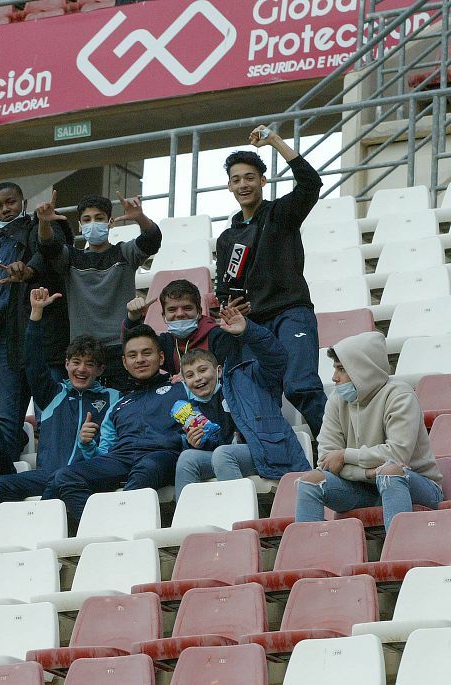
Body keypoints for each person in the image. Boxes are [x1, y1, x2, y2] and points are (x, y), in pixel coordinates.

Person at [216, 125, 327, 435]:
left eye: (250, 177)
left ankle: (333, 450)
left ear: (263, 181)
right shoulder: (228, 238)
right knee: (261, 400)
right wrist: (228, 307)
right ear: (229, 186)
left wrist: (276, 141)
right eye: (236, 179)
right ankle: (279, 463)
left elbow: (310, 184)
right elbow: (225, 288)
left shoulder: (280, 213)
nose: (243, 184)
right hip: (254, 327)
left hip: (291, 312)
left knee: (301, 386)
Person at [295, 332, 444, 530]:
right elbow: (327, 461)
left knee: (390, 472)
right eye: (335, 368)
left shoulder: (400, 395)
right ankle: (308, 558)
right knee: (311, 481)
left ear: (362, 369)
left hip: (416, 485)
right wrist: (368, 473)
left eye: (341, 369)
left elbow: (398, 454)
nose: (334, 377)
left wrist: (345, 455)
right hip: (364, 487)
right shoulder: (336, 400)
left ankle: (398, 553)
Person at [0, 288, 119, 505]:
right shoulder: (52, 394)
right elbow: (33, 361)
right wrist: (36, 314)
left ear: (100, 369)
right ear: (66, 364)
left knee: (64, 480)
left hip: (89, 473)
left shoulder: (112, 398)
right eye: (76, 362)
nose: (82, 369)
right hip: (49, 475)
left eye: (90, 364)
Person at [51, 323, 188, 523]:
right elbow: (104, 453)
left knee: (146, 467)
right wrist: (87, 445)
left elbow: (200, 426)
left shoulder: (181, 388)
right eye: (132, 356)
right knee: (64, 476)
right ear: (124, 362)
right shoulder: (120, 404)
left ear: (160, 357)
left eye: (146, 353)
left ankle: (121, 527)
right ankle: (100, 530)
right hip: (122, 459)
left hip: (163, 456)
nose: (139, 360)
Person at [173, 305, 310, 498]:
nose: (198, 378)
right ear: (185, 381)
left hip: (267, 450)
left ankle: (236, 516)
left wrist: (248, 331)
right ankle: (187, 523)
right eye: (190, 375)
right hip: (226, 457)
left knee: (223, 454)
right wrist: (193, 443)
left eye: (203, 370)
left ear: (218, 371)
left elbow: (277, 358)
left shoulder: (249, 378)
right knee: (187, 458)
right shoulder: (190, 409)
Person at [0, 181, 70, 460]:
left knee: (50, 414)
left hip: (42, 334)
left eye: (10, 202)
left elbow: (52, 250)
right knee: (4, 419)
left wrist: (29, 269)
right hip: (5, 341)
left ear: (24, 203)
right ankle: (3, 477)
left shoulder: (43, 227)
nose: (5, 209)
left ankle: (52, 472)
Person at [38, 191, 162, 390]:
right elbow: (48, 246)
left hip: (121, 347)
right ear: (80, 226)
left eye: (99, 218)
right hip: (83, 353)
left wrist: (139, 217)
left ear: (110, 222)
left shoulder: (125, 252)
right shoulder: (70, 258)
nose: (92, 223)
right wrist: (44, 223)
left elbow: (152, 239)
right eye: (86, 220)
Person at [124, 279, 239, 379]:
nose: (179, 314)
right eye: (172, 309)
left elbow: (232, 375)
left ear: (199, 313)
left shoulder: (218, 336)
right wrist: (133, 318)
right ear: (164, 317)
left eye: (187, 308)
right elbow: (133, 344)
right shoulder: (165, 342)